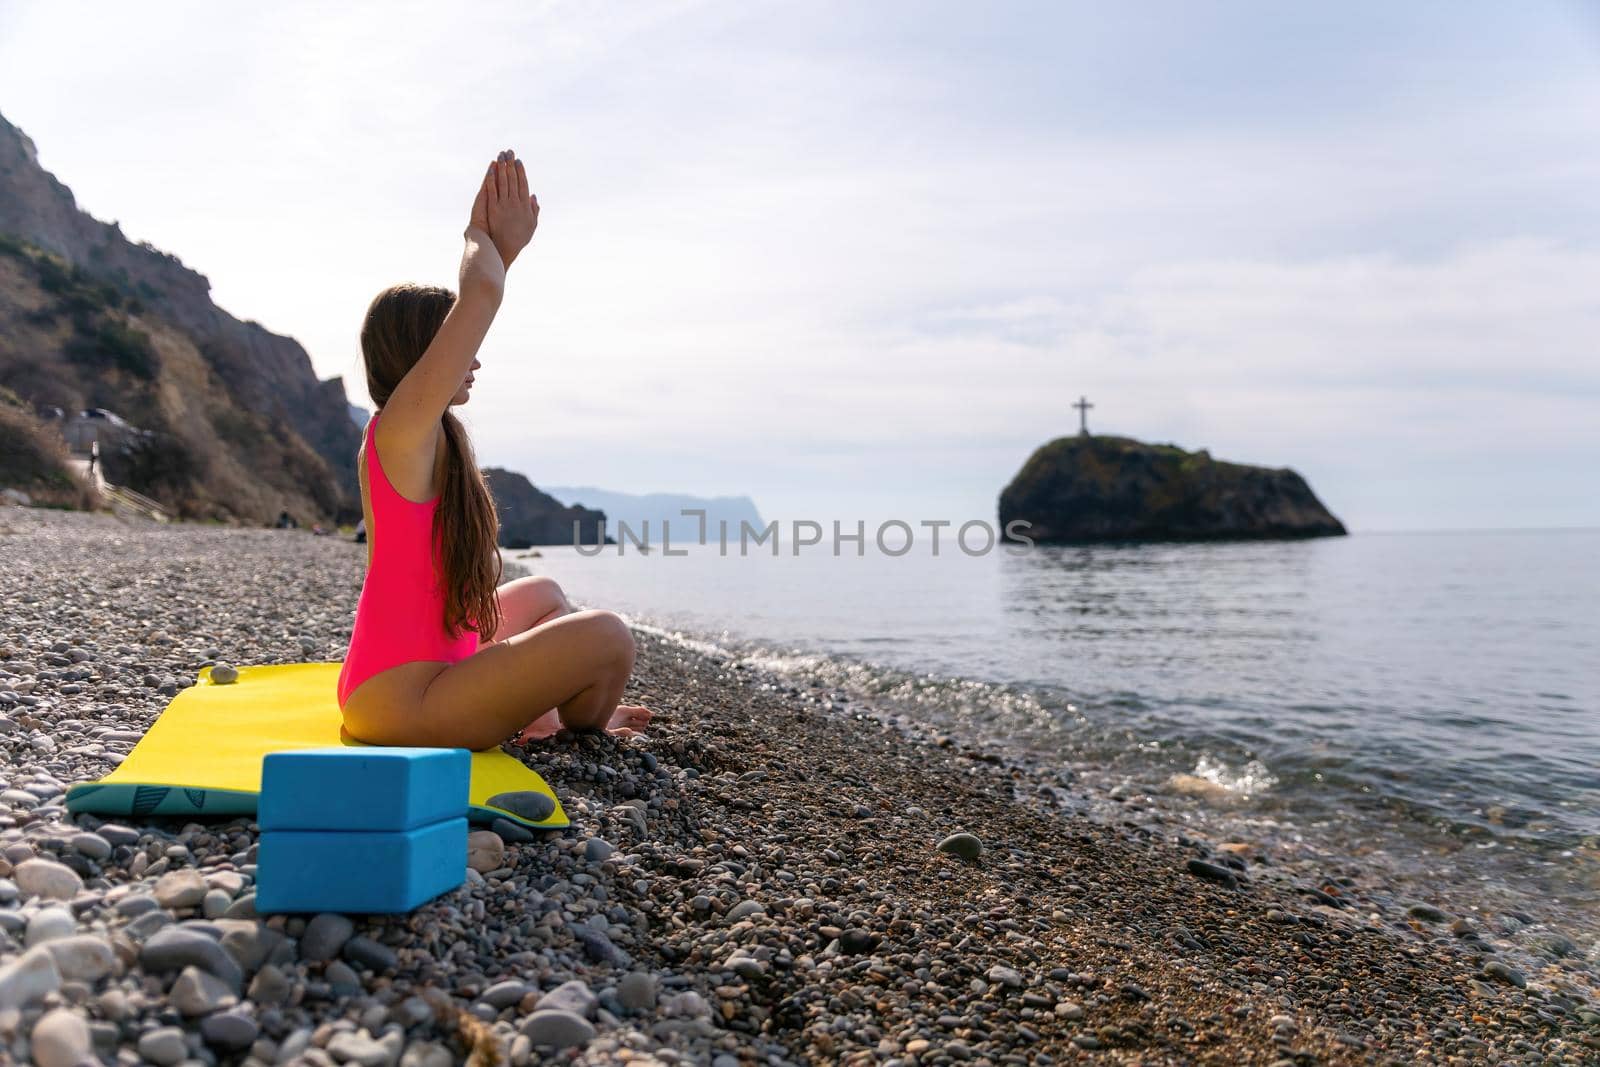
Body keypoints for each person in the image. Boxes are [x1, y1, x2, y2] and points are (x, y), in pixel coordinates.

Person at [336, 149, 651, 751]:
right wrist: (486, 239)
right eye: (456, 346)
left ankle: (536, 716)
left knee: (546, 595)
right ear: (426, 358)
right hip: (407, 705)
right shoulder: (403, 430)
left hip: (420, 675)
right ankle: (576, 729)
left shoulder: (429, 441)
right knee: (609, 637)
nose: (472, 358)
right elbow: (481, 292)